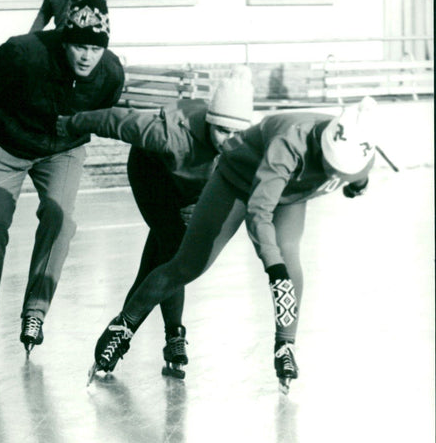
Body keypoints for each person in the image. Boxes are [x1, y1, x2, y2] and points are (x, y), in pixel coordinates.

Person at [88, 96, 380, 393]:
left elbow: (360, 167)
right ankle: (122, 327)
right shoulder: (289, 143)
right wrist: (272, 267)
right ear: (324, 145)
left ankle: (285, 346)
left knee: (290, 257)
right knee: (189, 264)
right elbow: (259, 213)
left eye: (340, 171)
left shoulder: (361, 147)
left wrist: (356, 181)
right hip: (238, 180)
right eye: (329, 165)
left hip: (290, 193)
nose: (333, 175)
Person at [0, 0, 125, 358]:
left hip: (62, 150)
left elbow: (102, 109)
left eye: (96, 48)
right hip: (6, 142)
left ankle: (35, 312)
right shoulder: (23, 53)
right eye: (79, 46)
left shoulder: (110, 73)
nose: (88, 56)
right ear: (64, 41)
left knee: (60, 220)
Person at [57, 67, 254, 377]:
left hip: (191, 190)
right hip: (151, 172)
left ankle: (137, 330)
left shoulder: (243, 147)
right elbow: (115, 120)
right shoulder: (167, 133)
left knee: (169, 252)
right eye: (221, 131)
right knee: (173, 245)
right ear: (210, 122)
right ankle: (161, 334)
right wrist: (72, 122)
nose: (228, 141)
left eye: (236, 134)